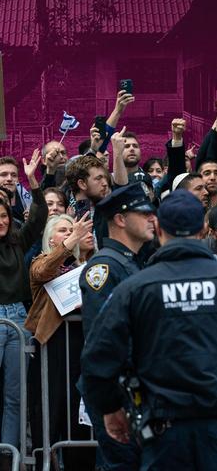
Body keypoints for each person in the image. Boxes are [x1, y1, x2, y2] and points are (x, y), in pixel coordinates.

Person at [81, 189, 217, 470]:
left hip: (166, 429)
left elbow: (98, 357)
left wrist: (110, 407)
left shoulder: (135, 289)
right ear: (203, 228)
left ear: (160, 229)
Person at [79, 182, 156, 470]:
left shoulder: (131, 263)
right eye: (144, 213)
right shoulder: (106, 268)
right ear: (121, 220)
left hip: (135, 388)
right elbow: (104, 344)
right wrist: (115, 401)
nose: (152, 218)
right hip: (119, 391)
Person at [27, 213, 95, 470]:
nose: (69, 233)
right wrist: (72, 241)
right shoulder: (40, 263)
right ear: (50, 239)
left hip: (81, 346)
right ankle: (47, 462)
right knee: (50, 410)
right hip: (52, 349)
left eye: (72, 230)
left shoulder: (85, 268)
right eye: (63, 230)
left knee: (80, 411)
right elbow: (44, 271)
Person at [0, 149, 47, 452]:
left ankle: (8, 454)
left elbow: (40, 216)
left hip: (18, 319)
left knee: (15, 396)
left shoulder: (17, 240)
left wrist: (32, 181)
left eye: (3, 215)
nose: (0, 220)